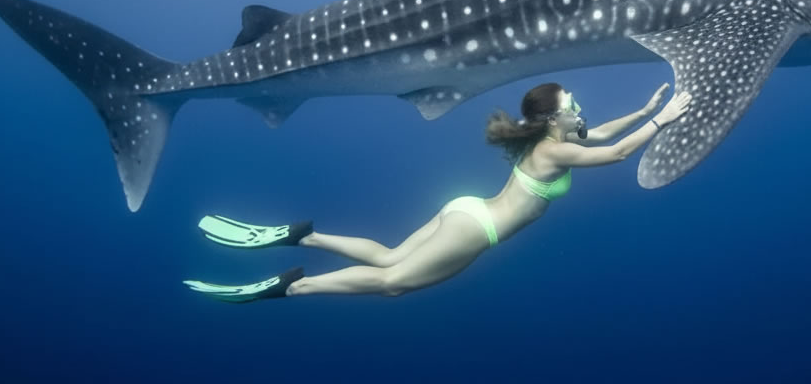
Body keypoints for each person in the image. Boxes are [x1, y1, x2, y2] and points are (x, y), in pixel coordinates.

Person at [183, 82, 693, 302]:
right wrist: (666, 120)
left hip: (466, 208)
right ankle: (292, 287)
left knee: (387, 258)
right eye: (573, 103)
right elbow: (619, 154)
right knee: (394, 283)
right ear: (554, 118)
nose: (581, 108)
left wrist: (649, 109)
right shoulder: (553, 151)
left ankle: (303, 237)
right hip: (478, 229)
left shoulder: (549, 135)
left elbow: (604, 133)